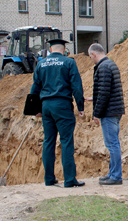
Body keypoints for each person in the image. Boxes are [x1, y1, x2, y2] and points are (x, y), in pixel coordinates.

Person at [30, 39, 86, 187]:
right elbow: (76, 86)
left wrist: (35, 109)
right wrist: (81, 107)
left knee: (49, 141)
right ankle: (69, 180)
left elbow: (35, 87)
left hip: (46, 106)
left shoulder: (41, 64)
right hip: (62, 105)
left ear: (50, 49)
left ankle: (49, 179)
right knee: (66, 141)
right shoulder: (69, 63)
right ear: (64, 49)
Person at [86, 43, 125, 185]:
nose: (91, 59)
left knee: (112, 144)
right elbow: (106, 89)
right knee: (113, 143)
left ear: (94, 54)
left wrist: (96, 113)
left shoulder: (103, 67)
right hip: (114, 109)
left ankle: (115, 176)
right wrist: (93, 98)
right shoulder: (110, 65)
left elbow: (104, 93)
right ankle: (112, 173)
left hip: (109, 112)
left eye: (91, 57)